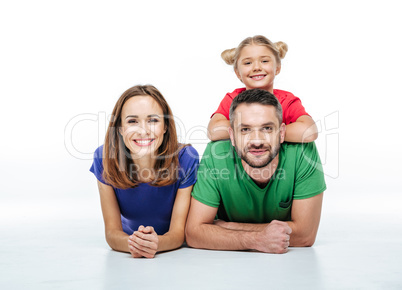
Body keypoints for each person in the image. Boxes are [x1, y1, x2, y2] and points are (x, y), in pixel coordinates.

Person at [186, 88, 326, 254]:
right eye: (245, 130)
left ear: (282, 133)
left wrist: (229, 227)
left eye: (267, 128)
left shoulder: (303, 153)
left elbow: (305, 235)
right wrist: (258, 239)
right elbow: (194, 233)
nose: (257, 141)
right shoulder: (216, 154)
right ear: (231, 135)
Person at [90, 85, 199, 258]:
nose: (143, 131)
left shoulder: (186, 158)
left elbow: (178, 234)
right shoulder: (104, 158)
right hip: (131, 239)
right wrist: (135, 244)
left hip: (167, 243)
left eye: (153, 120)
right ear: (119, 128)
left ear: (165, 126)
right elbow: (112, 233)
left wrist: (156, 244)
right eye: (132, 121)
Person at [208, 35, 318, 143]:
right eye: (248, 63)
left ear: (277, 68)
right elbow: (213, 131)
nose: (256, 67)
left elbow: (309, 131)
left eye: (264, 61)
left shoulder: (287, 100)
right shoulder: (232, 99)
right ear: (238, 73)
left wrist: (265, 131)